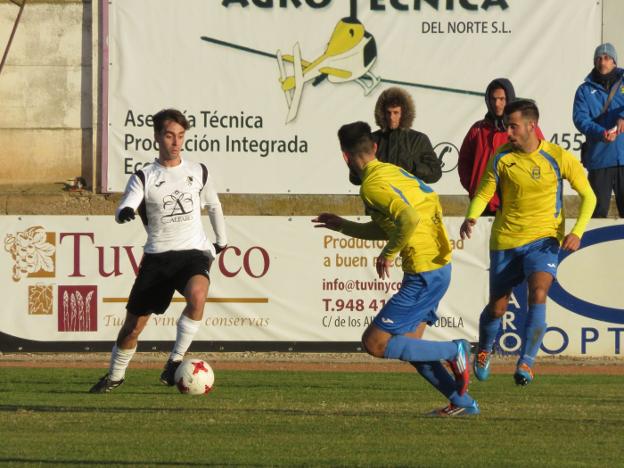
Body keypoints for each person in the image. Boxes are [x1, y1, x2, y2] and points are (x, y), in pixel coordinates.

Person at [314, 121, 478, 416]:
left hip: (423, 272)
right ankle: (463, 404)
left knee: (375, 342)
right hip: (438, 266)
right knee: (409, 346)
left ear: (344, 157)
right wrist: (344, 226)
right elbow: (393, 224)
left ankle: (455, 350)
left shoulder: (371, 186)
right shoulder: (394, 172)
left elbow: (409, 219)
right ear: (375, 147)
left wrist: (387, 255)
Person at [89, 108, 228, 393]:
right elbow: (126, 203)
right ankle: (115, 376)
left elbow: (214, 205)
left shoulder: (198, 171)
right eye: (169, 135)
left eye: (180, 136)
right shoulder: (145, 176)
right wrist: (125, 211)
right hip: (158, 258)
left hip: (193, 253)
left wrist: (221, 242)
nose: (176, 142)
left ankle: (174, 361)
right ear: (157, 137)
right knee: (132, 329)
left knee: (198, 295)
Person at [460, 100, 596, 386]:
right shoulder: (501, 157)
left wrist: (578, 231)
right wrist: (471, 217)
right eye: (507, 125)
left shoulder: (557, 156)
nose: (508, 131)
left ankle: (527, 362)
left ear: (531, 126)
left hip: (544, 240)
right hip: (506, 241)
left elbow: (589, 196)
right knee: (498, 308)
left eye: (513, 126)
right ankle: (485, 349)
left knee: (539, 292)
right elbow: (485, 192)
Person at [459, 78, 545, 215]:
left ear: (509, 99)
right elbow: (464, 161)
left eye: (501, 99)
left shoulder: (526, 127)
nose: (497, 104)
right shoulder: (477, 129)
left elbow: (541, 158)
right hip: (482, 204)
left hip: (516, 204)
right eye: (493, 99)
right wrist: (473, 186)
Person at [349, 87, 441, 186]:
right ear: (382, 113)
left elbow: (435, 174)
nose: (392, 117)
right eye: (388, 113)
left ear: (404, 113)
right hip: (379, 198)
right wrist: (355, 166)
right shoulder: (371, 140)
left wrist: (413, 167)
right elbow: (355, 179)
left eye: (396, 112)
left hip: (408, 199)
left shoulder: (419, 139)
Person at [573, 42, 624, 217]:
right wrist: (600, 132)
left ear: (614, 62)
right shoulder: (584, 90)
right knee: (596, 215)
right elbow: (580, 119)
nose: (603, 62)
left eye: (607, 58)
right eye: (599, 58)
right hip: (600, 159)